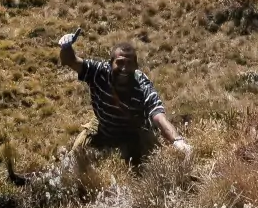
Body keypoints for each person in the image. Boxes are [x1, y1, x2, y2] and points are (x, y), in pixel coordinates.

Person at [60, 36, 189, 165]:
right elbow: (71, 60)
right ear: (110, 63)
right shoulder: (98, 72)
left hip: (132, 134)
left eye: (129, 63)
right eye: (120, 62)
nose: (124, 69)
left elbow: (158, 116)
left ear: (136, 66)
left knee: (150, 163)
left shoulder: (142, 85)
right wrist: (66, 47)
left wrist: (177, 141)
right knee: (75, 158)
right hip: (103, 128)